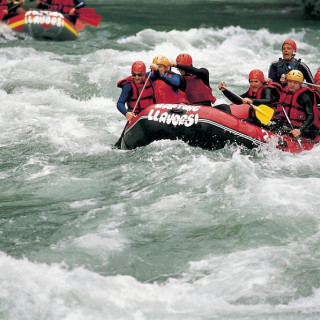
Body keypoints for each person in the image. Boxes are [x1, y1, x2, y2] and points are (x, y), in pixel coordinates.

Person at [215, 69, 281, 123]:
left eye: (256, 81)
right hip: (255, 117)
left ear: (261, 82)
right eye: (251, 82)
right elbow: (238, 100)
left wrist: (252, 101)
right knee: (224, 107)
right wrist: (225, 91)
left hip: (270, 121)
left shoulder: (268, 89)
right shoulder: (251, 91)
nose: (253, 84)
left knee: (242, 122)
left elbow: (268, 100)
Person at [274, 70, 319, 138]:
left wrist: (300, 130)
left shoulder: (305, 95)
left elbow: (311, 117)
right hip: (289, 125)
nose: (292, 85)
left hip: (306, 129)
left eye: (295, 82)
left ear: (300, 84)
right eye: (290, 81)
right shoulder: (286, 91)